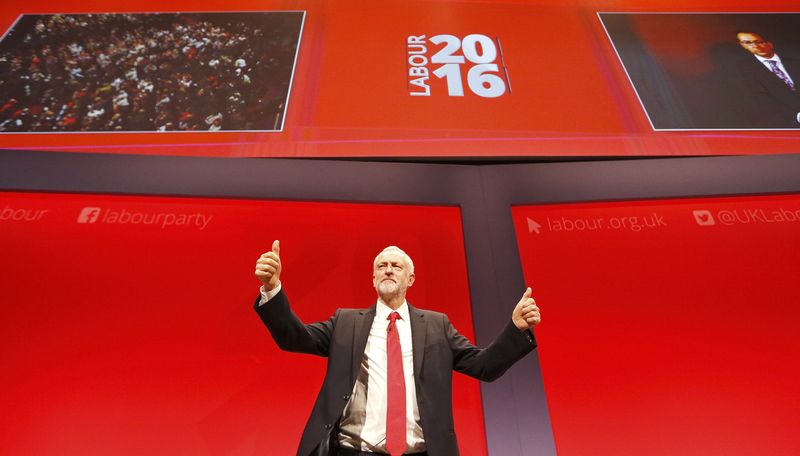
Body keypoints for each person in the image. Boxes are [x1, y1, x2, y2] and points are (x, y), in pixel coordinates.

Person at [253, 240, 541, 456]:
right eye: (381, 266)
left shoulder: (437, 326)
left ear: (410, 279)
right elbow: (294, 337)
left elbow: (484, 366)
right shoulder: (346, 322)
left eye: (396, 266)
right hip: (353, 451)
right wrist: (272, 288)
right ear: (374, 278)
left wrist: (515, 329)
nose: (388, 270)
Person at [732, 32, 800, 128]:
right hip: (784, 124)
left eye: (758, 41)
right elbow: (759, 101)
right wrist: (796, 116)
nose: (755, 46)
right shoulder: (742, 71)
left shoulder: (796, 62)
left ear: (770, 43)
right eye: (747, 43)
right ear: (743, 46)